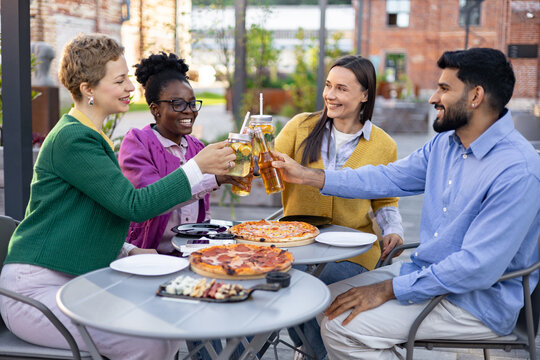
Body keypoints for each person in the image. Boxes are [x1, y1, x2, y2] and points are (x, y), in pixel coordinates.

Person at [272, 47, 540, 359]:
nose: (432, 98)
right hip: (423, 273)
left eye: (443, 88)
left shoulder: (517, 171)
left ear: (475, 96)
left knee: (340, 325)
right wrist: (310, 176)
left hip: (473, 301)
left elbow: (476, 268)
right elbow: (386, 178)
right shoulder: (447, 143)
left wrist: (386, 290)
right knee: (320, 301)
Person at [0, 34, 235, 360]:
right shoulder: (73, 139)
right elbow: (133, 205)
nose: (130, 88)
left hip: (71, 280)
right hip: (35, 292)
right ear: (88, 89)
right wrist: (196, 168)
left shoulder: (88, 136)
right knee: (147, 342)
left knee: (164, 335)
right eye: (120, 80)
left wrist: (127, 249)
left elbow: (80, 215)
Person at [275, 55, 404, 284]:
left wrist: (393, 230)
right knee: (277, 282)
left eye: (341, 89)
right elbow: (269, 165)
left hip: (354, 254)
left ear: (365, 94)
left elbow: (385, 201)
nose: (330, 95)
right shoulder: (299, 127)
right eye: (328, 85)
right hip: (297, 245)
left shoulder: (384, 145)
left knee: (309, 285)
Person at [118, 52, 245, 254]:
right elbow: (150, 203)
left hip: (190, 252)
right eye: (178, 104)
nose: (189, 111)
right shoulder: (138, 143)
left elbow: (203, 213)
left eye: (192, 103)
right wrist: (211, 179)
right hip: (149, 255)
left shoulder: (197, 147)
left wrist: (223, 176)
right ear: (155, 109)